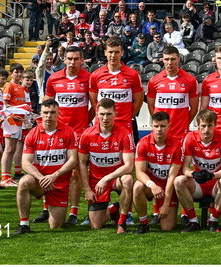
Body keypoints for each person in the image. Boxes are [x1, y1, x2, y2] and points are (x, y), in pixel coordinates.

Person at [42, 45, 92, 223]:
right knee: (51, 169)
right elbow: (47, 104)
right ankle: (46, 207)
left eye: (76, 58)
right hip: (57, 132)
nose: (72, 62)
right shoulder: (54, 79)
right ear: (64, 59)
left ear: (81, 60)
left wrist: (85, 122)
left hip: (79, 132)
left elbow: (94, 105)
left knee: (76, 173)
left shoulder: (89, 79)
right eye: (69, 58)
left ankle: (74, 211)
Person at [14, 99, 79, 234]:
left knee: (56, 227)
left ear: (59, 113)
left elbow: (73, 160)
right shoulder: (32, 134)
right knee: (24, 182)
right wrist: (41, 178)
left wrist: (54, 176)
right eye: (46, 112)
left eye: (53, 112)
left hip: (59, 183)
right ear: (40, 114)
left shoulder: (69, 132)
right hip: (40, 181)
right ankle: (24, 224)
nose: (49, 116)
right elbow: (25, 162)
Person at [175, 109, 221, 233]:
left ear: (215, 125)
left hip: (216, 183)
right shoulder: (190, 137)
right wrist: (193, 174)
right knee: (179, 181)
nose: (206, 130)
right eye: (203, 126)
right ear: (198, 126)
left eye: (210, 126)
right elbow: (184, 168)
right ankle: (193, 221)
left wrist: (212, 175)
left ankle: (213, 220)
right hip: (198, 184)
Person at [77, 99, 135, 233]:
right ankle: (113, 209)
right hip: (96, 180)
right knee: (96, 225)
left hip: (116, 178)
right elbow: (81, 163)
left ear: (115, 114)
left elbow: (129, 166)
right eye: (102, 114)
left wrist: (107, 178)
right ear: (96, 113)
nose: (105, 118)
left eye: (109, 114)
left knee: (128, 180)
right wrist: (87, 189)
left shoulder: (125, 133)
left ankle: (122, 222)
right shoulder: (87, 134)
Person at [132, 111, 182, 233]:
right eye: (156, 126)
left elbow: (172, 177)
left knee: (167, 227)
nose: (159, 129)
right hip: (152, 187)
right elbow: (139, 172)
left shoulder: (177, 144)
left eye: (163, 126)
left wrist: (166, 204)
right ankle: (143, 222)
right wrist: (152, 185)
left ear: (169, 126)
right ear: (151, 126)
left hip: (168, 188)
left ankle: (165, 209)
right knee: (137, 186)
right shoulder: (143, 143)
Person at [88, 37, 144, 145]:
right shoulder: (96, 75)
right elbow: (94, 102)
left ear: (122, 53)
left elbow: (138, 101)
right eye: (110, 52)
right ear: (105, 53)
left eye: (116, 52)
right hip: (102, 125)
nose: (113, 55)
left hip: (124, 125)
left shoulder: (133, 75)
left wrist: (127, 117)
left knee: (126, 159)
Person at [147, 46, 200, 145]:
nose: (169, 62)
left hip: (180, 133)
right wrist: (158, 123)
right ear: (162, 59)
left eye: (173, 59)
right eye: (166, 59)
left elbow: (194, 108)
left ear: (178, 59)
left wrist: (184, 124)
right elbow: (151, 106)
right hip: (160, 133)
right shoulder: (154, 80)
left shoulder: (190, 80)